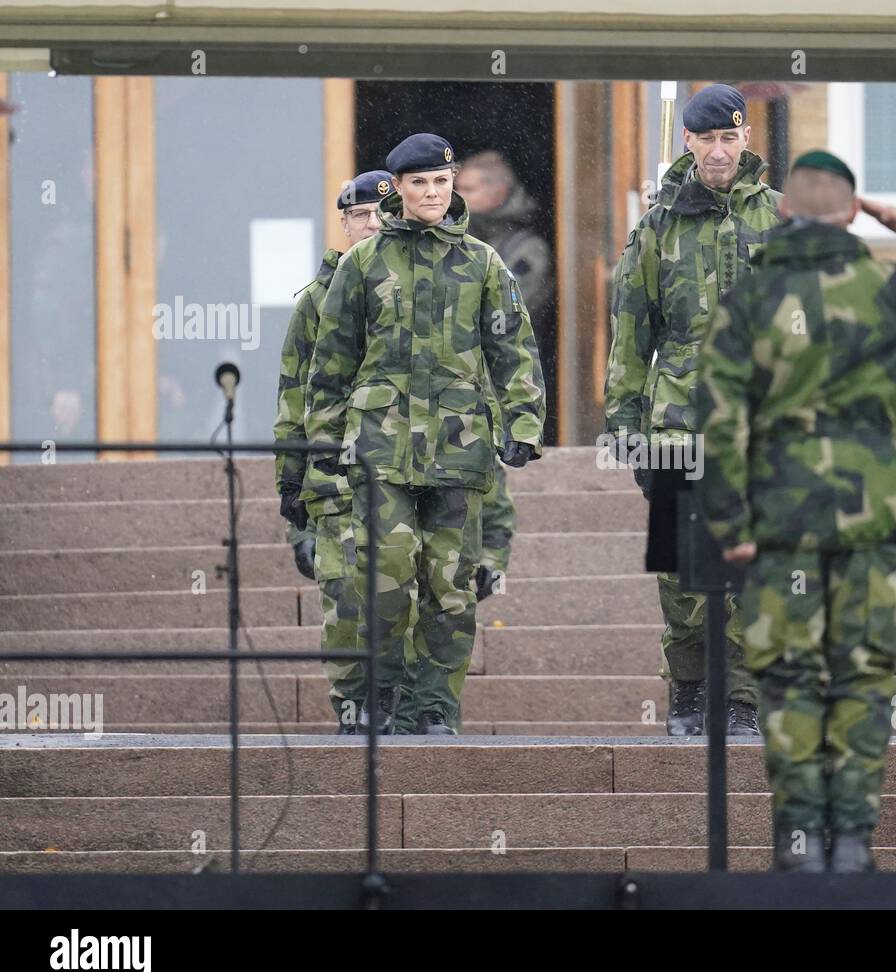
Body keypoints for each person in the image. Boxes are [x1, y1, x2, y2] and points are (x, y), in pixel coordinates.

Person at [696, 150, 896, 871]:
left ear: (782, 211)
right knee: (863, 674)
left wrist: (730, 522)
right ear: (850, 210)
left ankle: (800, 844)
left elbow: (718, 419)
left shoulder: (749, 300)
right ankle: (851, 842)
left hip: (779, 514)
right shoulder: (894, 288)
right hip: (872, 506)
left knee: (788, 676)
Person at [305, 133, 546, 736]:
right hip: (379, 448)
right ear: (401, 190)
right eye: (420, 184)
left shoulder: (483, 263)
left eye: (442, 182)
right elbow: (331, 361)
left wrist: (522, 423)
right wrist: (320, 447)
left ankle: (433, 706)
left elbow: (513, 349)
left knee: (450, 588)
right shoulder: (363, 264)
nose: (433, 193)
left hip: (459, 447)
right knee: (385, 578)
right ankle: (381, 695)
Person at [604, 82, 782, 736]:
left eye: (728, 137)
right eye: (706, 138)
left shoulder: (781, 222)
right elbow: (631, 331)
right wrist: (622, 422)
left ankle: (740, 698)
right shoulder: (657, 226)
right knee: (680, 568)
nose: (717, 150)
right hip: (675, 413)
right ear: (687, 142)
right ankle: (688, 687)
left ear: (745, 140)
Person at [274, 168, 392, 733]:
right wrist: (289, 488)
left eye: (381, 214)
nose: (371, 224)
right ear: (344, 224)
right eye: (360, 215)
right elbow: (293, 400)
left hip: (406, 472)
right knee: (346, 603)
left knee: (407, 603)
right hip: (335, 478)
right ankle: (353, 714)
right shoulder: (315, 303)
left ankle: (410, 716)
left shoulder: (420, 290)